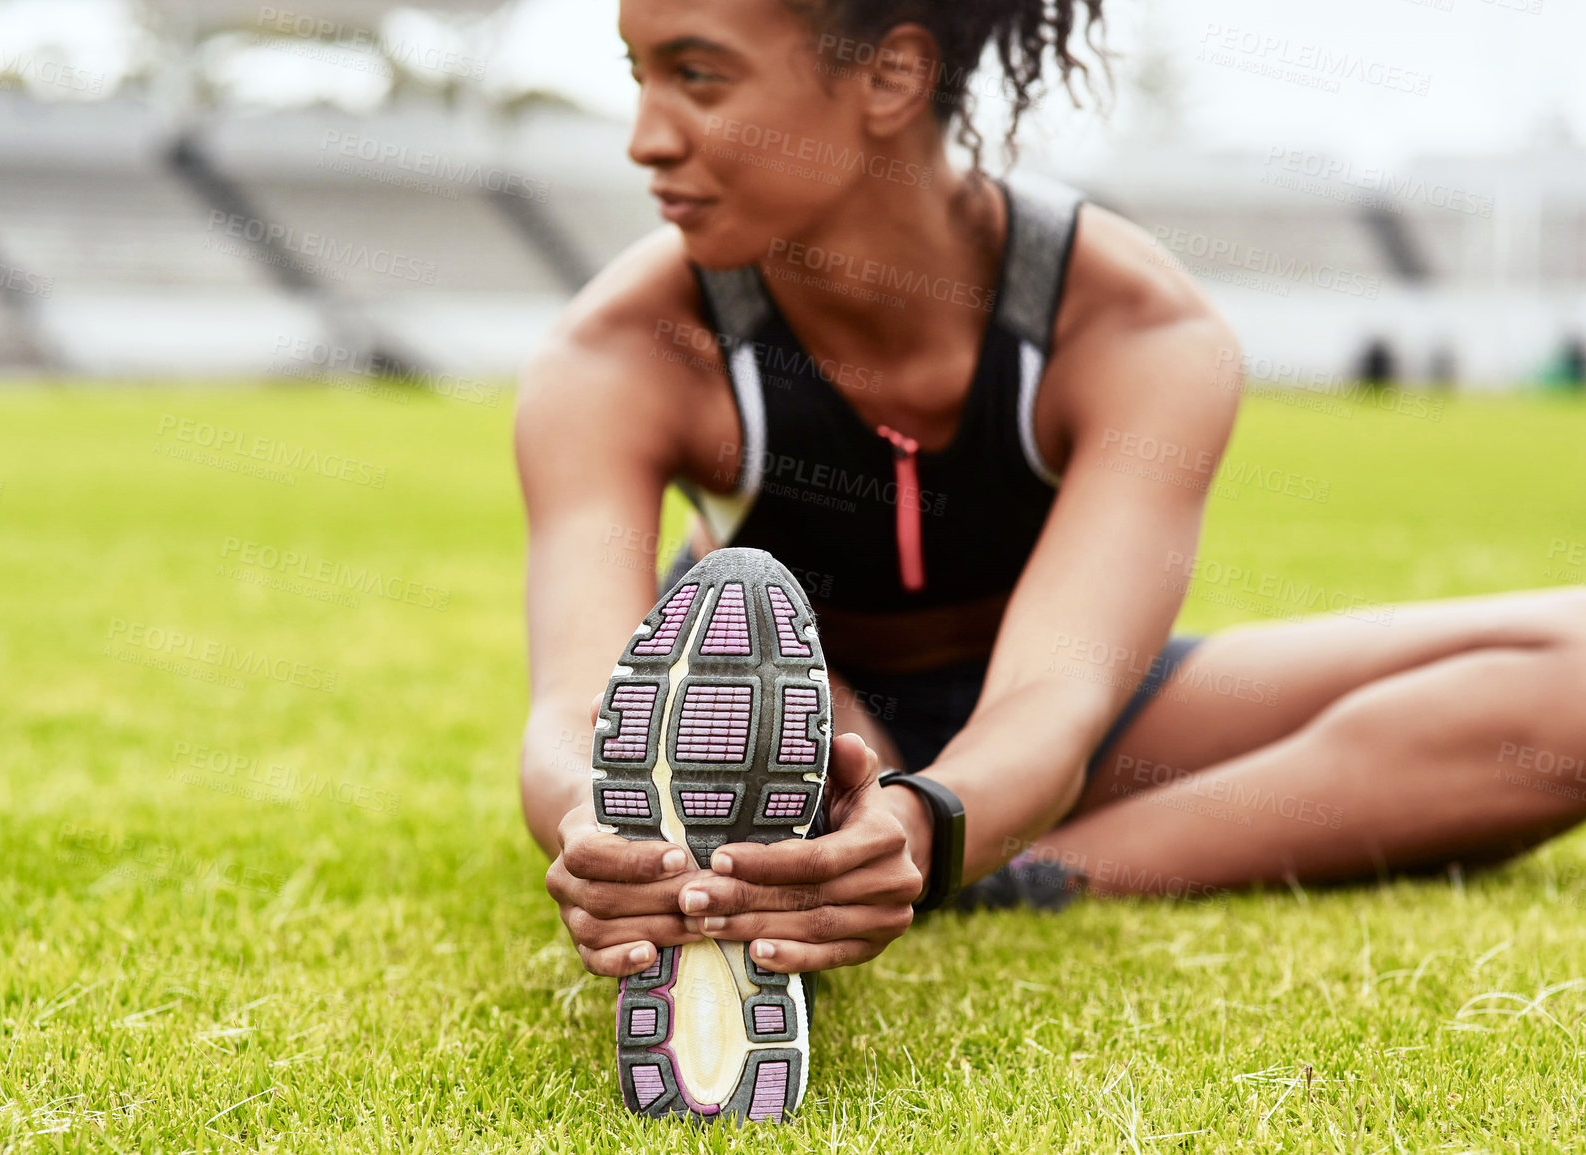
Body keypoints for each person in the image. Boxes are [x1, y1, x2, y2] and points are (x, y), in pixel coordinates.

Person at [513, 0, 1586, 1119]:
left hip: (1046, 714)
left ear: (890, 78)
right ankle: (802, 841)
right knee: (779, 697)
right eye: (636, 73)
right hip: (800, 714)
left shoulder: (1130, 327)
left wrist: (932, 828)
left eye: (698, 75)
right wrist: (594, 820)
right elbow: (575, 704)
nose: (644, 136)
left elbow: (1056, 697)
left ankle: (1022, 876)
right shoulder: (616, 353)